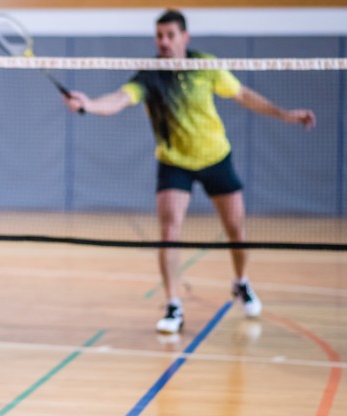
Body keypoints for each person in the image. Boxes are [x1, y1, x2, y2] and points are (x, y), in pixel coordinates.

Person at [65, 10, 315, 334]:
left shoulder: (205, 66)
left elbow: (242, 95)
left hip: (216, 157)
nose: (164, 42)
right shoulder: (149, 75)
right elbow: (119, 99)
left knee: (236, 229)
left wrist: (285, 115)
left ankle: (241, 282)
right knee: (169, 234)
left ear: (185, 37)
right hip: (174, 162)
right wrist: (88, 104)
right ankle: (173, 305)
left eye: (170, 35)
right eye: (159, 36)